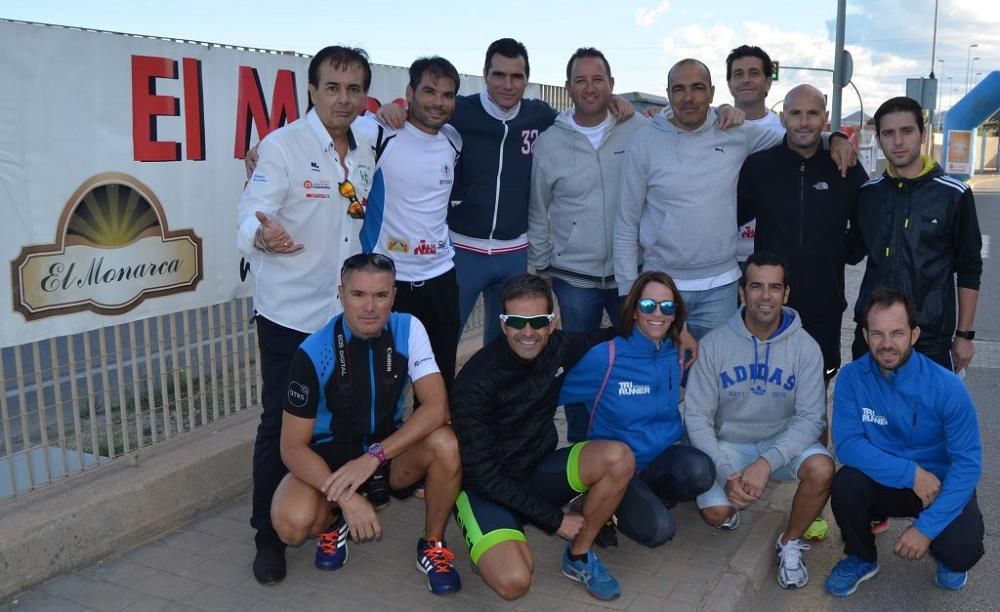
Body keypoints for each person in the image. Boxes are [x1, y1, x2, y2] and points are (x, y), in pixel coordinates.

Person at [379, 39, 634, 345]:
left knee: (505, 347)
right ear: (485, 74)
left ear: (527, 79)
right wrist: (393, 107)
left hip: (514, 254)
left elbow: (580, 116)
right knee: (442, 340)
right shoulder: (459, 111)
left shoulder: (540, 116)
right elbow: (422, 113)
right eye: (499, 75)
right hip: (462, 252)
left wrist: (612, 101)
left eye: (517, 76)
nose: (508, 85)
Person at [236, 46, 377, 585]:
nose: (344, 99)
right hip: (290, 317)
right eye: (333, 88)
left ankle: (333, 514)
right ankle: (265, 537)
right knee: (280, 423)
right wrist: (262, 235)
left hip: (344, 316)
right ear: (312, 92)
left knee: (344, 416)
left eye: (354, 89)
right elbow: (247, 213)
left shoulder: (366, 143)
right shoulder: (282, 148)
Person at [614, 59, 855, 340]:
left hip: (721, 289)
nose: (689, 97)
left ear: (713, 93)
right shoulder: (644, 142)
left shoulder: (735, 132)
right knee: (661, 372)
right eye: (679, 89)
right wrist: (629, 289)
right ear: (668, 93)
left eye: (698, 88)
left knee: (716, 375)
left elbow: (798, 135)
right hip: (661, 285)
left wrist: (836, 138)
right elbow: (626, 221)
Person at [270, 253, 463, 595]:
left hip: (385, 454)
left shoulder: (408, 328)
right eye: (358, 294)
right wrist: (346, 497)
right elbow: (291, 448)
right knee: (291, 525)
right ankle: (334, 521)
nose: (370, 307)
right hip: (330, 460)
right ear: (341, 294)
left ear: (394, 295)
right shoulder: (314, 351)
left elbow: (437, 409)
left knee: (446, 442)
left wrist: (373, 456)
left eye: (381, 295)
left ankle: (432, 545)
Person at [451, 274, 634, 601]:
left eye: (538, 321)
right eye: (517, 322)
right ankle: (493, 539)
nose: (528, 332)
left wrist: (667, 329)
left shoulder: (558, 346)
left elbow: (603, 335)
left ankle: (577, 557)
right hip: (486, 489)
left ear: (553, 322)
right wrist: (555, 520)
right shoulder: (475, 381)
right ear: (503, 324)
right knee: (515, 582)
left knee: (619, 458)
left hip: (536, 472)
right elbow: (482, 474)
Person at [686, 252, 833, 589]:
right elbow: (696, 417)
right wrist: (725, 472)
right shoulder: (714, 345)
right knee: (716, 515)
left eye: (774, 287)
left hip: (779, 445)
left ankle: (790, 542)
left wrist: (767, 463)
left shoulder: (806, 348)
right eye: (756, 287)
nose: (765, 296)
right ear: (742, 293)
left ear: (786, 294)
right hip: (731, 446)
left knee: (823, 469)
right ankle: (732, 503)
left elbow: (812, 419)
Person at [825, 289, 983, 597]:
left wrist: (925, 529)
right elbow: (846, 444)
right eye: (877, 333)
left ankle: (946, 551)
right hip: (888, 480)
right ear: (864, 335)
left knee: (962, 551)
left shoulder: (947, 387)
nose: (886, 344)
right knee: (846, 482)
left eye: (897, 333)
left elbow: (968, 465)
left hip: (938, 484)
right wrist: (910, 474)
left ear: (914, 334)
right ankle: (861, 557)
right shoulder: (851, 378)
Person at [527, 47, 648, 444]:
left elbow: (688, 124)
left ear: (612, 85)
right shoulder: (550, 143)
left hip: (628, 276)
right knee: (575, 367)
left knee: (634, 363)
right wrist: (540, 268)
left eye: (598, 80)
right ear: (568, 88)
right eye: (581, 80)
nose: (590, 88)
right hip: (573, 278)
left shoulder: (639, 130)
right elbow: (538, 208)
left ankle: (631, 445)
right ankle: (579, 450)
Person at [559, 271, 716, 548]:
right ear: (633, 311)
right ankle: (599, 502)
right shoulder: (605, 357)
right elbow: (552, 394)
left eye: (667, 307)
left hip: (659, 460)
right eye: (647, 306)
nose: (658, 313)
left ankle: (631, 502)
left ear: (675, 314)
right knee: (658, 531)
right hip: (618, 468)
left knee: (700, 471)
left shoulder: (676, 352)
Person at [738, 84, 868, 381]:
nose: (804, 122)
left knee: (817, 390)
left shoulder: (845, 167)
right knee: (763, 387)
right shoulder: (759, 166)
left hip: (824, 305)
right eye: (796, 113)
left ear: (825, 118)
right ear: (782, 118)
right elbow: (730, 218)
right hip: (768, 303)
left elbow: (866, 223)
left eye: (813, 113)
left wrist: (841, 252)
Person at [848, 96, 983, 373]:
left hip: (929, 339)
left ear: (922, 134)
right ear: (879, 138)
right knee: (870, 415)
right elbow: (851, 251)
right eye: (888, 133)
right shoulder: (868, 194)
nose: (897, 141)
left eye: (906, 131)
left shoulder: (953, 194)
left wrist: (964, 335)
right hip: (871, 336)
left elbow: (970, 268)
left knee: (924, 417)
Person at [354, 56, 463, 393]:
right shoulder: (378, 132)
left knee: (437, 380)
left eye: (447, 95)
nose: (437, 102)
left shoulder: (453, 140)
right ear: (409, 92)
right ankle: (378, 448)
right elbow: (319, 131)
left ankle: (432, 445)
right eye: (429, 91)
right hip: (390, 279)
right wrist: (260, 150)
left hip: (440, 278)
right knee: (381, 385)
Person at [726, 45, 783, 268]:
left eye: (754, 73)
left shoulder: (783, 130)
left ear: (768, 82)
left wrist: (836, 137)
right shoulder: (712, 127)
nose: (745, 79)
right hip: (722, 256)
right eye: (738, 74)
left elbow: (812, 139)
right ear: (729, 84)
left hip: (769, 255)